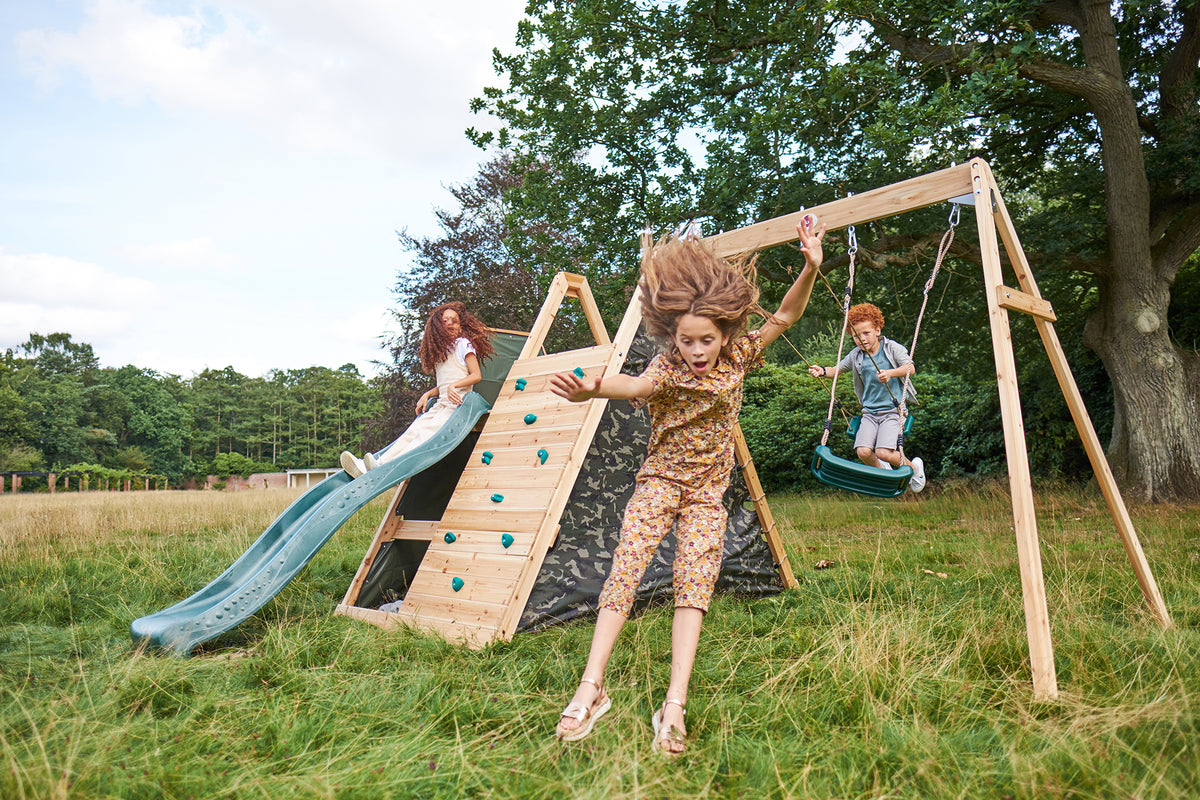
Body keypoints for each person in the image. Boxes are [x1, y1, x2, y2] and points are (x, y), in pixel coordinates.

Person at [548, 215, 825, 756]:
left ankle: (673, 703)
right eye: (686, 340)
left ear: (725, 335)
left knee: (694, 587)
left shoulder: (740, 356)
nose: (697, 351)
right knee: (624, 571)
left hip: (706, 494)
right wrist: (594, 388)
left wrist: (811, 266)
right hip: (660, 483)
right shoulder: (669, 369)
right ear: (672, 337)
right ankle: (591, 686)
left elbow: (788, 313)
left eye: (706, 340)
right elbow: (635, 384)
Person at [340, 302, 494, 478]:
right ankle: (375, 464)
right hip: (442, 405)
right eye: (445, 321)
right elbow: (444, 384)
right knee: (413, 431)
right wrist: (428, 393)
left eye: (455, 321)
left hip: (458, 406)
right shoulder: (441, 353)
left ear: (461, 327)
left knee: (424, 434)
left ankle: (383, 466)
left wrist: (454, 386)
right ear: (437, 327)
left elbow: (476, 375)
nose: (451, 323)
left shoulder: (463, 344)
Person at [807, 302, 926, 492]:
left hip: (892, 411)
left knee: (883, 452)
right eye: (856, 336)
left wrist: (890, 373)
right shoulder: (855, 356)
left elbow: (910, 368)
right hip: (869, 413)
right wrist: (821, 371)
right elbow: (836, 370)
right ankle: (884, 474)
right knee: (863, 452)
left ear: (877, 330)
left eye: (866, 333)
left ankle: (914, 469)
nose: (861, 339)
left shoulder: (891, 348)